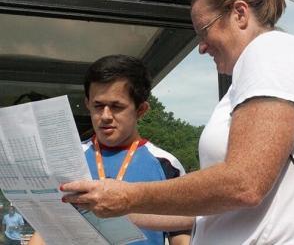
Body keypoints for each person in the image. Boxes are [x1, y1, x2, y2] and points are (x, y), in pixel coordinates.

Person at [59, 0, 294, 244]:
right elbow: (206, 214)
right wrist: (107, 206)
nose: (201, 47)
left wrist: (128, 195)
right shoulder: (242, 83)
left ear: (240, 13)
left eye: (204, 30)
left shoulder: (268, 50)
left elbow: (244, 183)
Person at [29, 55, 193, 245]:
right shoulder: (69, 158)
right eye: (98, 106)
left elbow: (181, 237)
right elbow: (45, 231)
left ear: (141, 109)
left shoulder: (166, 165)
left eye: (116, 107)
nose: (105, 116)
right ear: (87, 104)